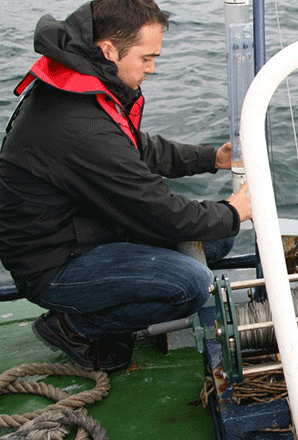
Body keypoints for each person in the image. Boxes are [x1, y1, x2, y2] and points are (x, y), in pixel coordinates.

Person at [0, 0, 251, 373]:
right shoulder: (76, 123)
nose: (152, 68)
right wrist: (233, 212)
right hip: (55, 264)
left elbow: (134, 148)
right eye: (146, 58)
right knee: (192, 283)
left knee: (216, 239)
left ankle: (112, 305)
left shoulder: (88, 85)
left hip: (89, 228)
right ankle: (73, 326)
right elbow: (156, 210)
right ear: (108, 49)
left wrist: (211, 158)